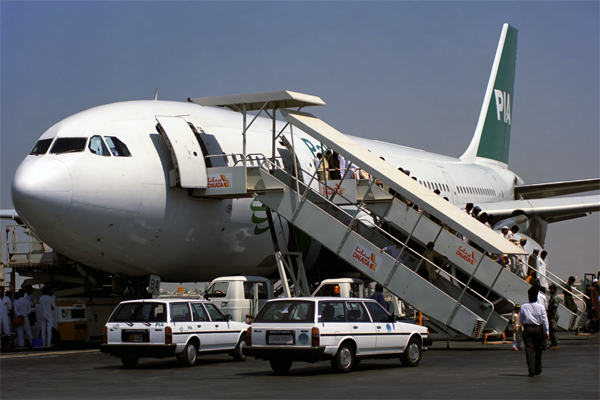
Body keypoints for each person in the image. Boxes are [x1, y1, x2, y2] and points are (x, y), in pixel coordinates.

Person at [519, 286, 549, 377]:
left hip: (528, 329)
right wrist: (546, 332)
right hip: (538, 329)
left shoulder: (523, 306)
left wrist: (525, 327)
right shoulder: (541, 307)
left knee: (529, 350)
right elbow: (544, 320)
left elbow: (521, 319)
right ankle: (538, 368)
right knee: (538, 349)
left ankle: (531, 370)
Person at [547, 284, 560, 349]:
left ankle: (556, 343)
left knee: (553, 329)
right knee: (550, 330)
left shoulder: (555, 298)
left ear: (554, 290)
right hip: (550, 314)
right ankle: (553, 343)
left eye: (551, 290)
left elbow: (554, 309)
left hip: (553, 315)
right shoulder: (552, 297)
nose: (550, 291)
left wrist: (552, 318)